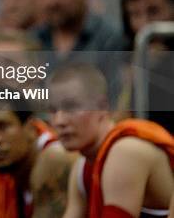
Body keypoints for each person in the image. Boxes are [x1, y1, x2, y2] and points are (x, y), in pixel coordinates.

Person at [48, 63, 174, 218]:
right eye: (53, 110)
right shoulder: (82, 166)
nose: (59, 121)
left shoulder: (126, 150)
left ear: (102, 106)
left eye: (71, 107)